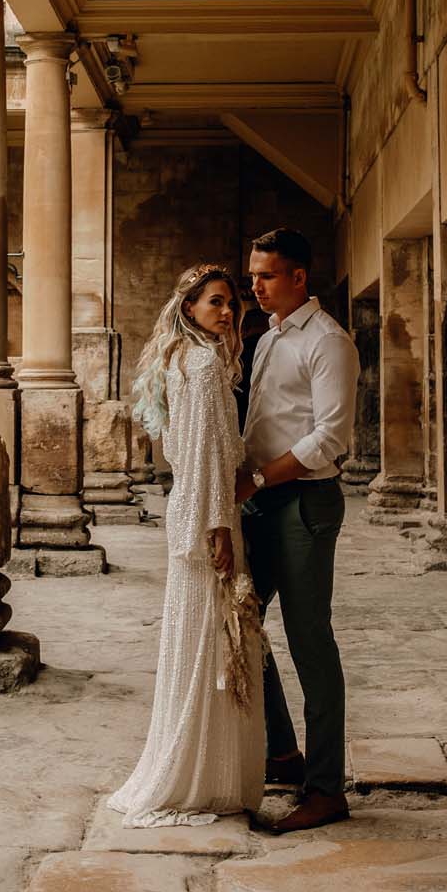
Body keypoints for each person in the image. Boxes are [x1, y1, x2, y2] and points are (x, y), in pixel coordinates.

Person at [108, 264, 265, 827]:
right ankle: (200, 779)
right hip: (207, 518)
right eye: (216, 303)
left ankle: (204, 772)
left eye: (232, 304)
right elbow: (198, 456)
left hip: (195, 510)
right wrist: (219, 528)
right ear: (190, 308)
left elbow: (194, 451)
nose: (227, 312)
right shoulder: (199, 363)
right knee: (212, 642)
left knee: (205, 640)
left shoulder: (183, 358)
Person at [235, 227, 359, 834]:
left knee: (311, 643)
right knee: (238, 623)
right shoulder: (267, 339)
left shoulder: (328, 342)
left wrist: (256, 480)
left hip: (304, 503)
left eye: (267, 275)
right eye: (252, 275)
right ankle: (282, 750)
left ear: (299, 277)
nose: (254, 286)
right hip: (260, 499)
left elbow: (329, 438)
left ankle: (326, 789)